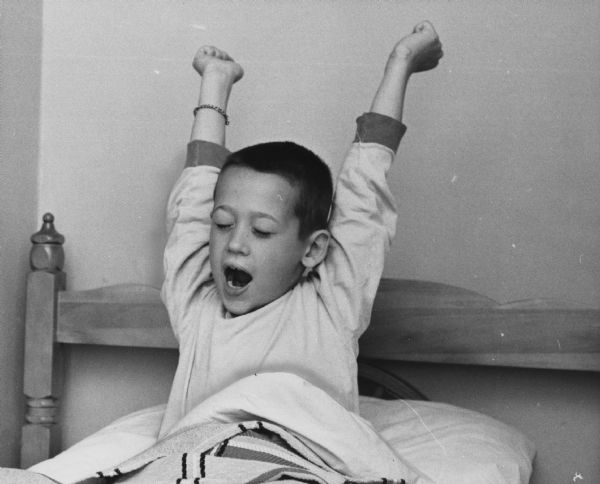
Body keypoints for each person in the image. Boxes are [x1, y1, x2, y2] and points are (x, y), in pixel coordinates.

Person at [159, 21, 443, 437]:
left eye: (262, 231)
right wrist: (214, 89)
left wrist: (400, 63)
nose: (234, 244)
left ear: (312, 250)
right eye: (222, 224)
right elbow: (194, 202)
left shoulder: (330, 305)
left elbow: (364, 194)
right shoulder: (196, 306)